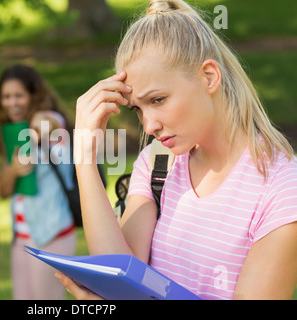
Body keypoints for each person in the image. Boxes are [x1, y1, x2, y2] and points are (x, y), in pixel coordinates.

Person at [56, 0, 297, 300]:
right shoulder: (158, 163)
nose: (149, 126)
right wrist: (84, 159)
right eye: (137, 109)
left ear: (209, 76)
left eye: (157, 100)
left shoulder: (281, 188)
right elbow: (121, 277)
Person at [0, 64, 77, 299]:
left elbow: (46, 121)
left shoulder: (54, 126)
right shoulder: (11, 133)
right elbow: (3, 190)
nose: (12, 102)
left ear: (33, 95)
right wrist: (13, 169)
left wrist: (31, 135)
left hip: (52, 234)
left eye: (19, 95)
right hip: (21, 236)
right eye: (6, 97)